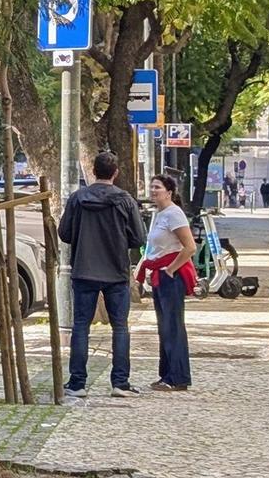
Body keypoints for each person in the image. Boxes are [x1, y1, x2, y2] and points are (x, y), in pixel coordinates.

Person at [58, 149, 147, 399]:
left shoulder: (77, 199)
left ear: (93, 171)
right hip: (116, 271)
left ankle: (77, 383)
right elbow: (138, 237)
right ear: (115, 173)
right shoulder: (125, 200)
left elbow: (64, 233)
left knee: (80, 326)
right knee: (120, 327)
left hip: (84, 269)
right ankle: (120, 382)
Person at [137, 173, 197, 392]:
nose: (154, 191)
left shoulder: (174, 214)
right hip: (159, 274)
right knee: (164, 326)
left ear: (169, 192)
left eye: (158, 187)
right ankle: (167, 374)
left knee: (173, 326)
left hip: (171, 276)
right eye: (152, 187)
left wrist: (171, 269)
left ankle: (178, 376)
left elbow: (190, 247)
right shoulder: (160, 214)